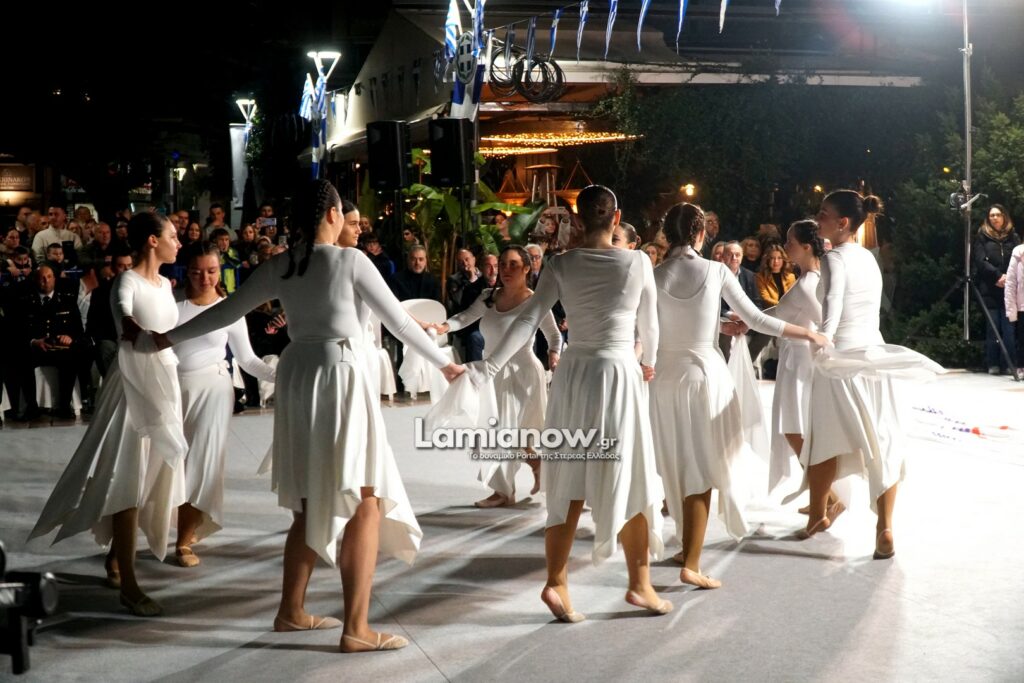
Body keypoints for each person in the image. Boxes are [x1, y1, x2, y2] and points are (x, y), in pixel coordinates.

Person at [154, 180, 463, 652]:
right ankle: (357, 628)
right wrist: (445, 363)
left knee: (307, 498)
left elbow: (225, 311)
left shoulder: (281, 264)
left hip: (298, 374)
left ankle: (291, 611)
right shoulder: (349, 261)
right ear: (334, 214)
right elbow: (399, 322)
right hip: (337, 374)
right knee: (365, 498)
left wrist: (165, 338)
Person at [466, 185, 672, 621]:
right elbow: (650, 326)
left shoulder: (560, 264)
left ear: (577, 220)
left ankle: (556, 581)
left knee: (569, 472)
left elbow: (527, 320)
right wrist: (649, 362)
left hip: (575, 373)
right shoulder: (638, 262)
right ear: (616, 218)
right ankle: (640, 584)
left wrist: (490, 366)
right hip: (617, 373)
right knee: (633, 474)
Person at [650, 204, 827, 589]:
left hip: (663, 378)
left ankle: (685, 544)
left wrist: (714, 324)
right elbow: (759, 319)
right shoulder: (715, 271)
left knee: (674, 463)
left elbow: (649, 328)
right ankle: (691, 562)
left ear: (666, 233)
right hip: (703, 376)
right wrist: (809, 333)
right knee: (702, 467)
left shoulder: (654, 274)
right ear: (702, 234)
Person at [29, 212, 186, 617]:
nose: (179, 242)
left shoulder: (166, 285)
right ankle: (129, 586)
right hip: (132, 384)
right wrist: (135, 329)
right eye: (173, 236)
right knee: (129, 477)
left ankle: (117, 557)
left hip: (165, 383)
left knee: (151, 476)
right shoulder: (127, 281)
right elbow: (123, 316)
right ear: (152, 241)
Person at [800, 190, 941, 558]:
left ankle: (816, 515)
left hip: (842, 357)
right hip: (873, 352)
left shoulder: (833, 258)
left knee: (824, 440)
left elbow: (832, 302)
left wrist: (823, 339)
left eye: (823, 213)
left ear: (843, 223)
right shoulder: (868, 257)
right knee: (882, 440)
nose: (817, 218)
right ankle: (885, 526)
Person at [173, 242, 276, 567]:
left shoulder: (229, 309)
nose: (205, 278)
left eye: (212, 271)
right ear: (187, 272)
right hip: (173, 391)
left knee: (201, 464)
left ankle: (183, 540)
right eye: (197, 272)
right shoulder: (173, 305)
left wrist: (281, 376)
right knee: (166, 463)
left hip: (215, 392)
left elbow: (247, 359)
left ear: (221, 271)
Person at [434, 246, 562, 507]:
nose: (505, 269)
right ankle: (529, 470)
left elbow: (554, 336)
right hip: (491, 372)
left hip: (523, 373)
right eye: (503, 264)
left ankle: (504, 490)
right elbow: (465, 317)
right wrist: (444, 326)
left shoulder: (536, 301)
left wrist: (554, 354)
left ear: (527, 268)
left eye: (513, 264)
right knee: (501, 431)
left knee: (509, 432)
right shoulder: (488, 296)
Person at [767, 220, 838, 511]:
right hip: (793, 360)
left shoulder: (810, 284)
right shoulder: (807, 279)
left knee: (794, 429)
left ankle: (830, 495)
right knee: (796, 428)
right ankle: (820, 493)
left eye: (790, 242)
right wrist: (747, 321)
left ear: (807, 247)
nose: (786, 247)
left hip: (800, 362)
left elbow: (823, 323)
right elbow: (782, 312)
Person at [971, 204, 1019, 375]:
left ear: (1004, 217)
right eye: (992, 215)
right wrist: (997, 276)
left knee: (1009, 329)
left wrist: (1008, 278)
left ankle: (1009, 364)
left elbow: (1018, 260)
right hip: (990, 288)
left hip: (1009, 288)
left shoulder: (1013, 237)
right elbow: (980, 261)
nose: (995, 218)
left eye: (998, 215)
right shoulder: (982, 236)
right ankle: (993, 364)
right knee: (993, 328)